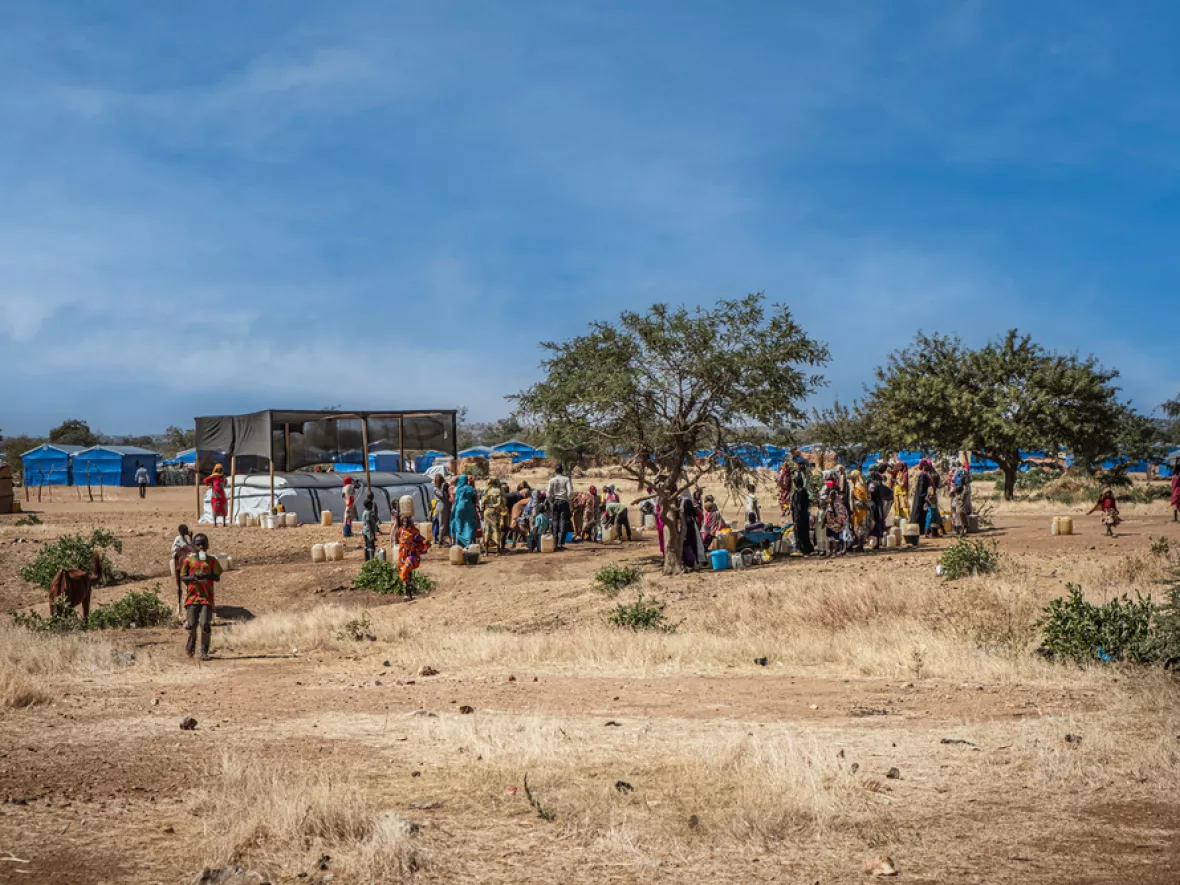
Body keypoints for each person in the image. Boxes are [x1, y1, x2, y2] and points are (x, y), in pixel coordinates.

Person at [179, 533, 221, 660]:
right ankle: (191, 644)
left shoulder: (212, 560)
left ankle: (204, 651)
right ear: (193, 546)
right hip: (192, 597)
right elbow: (182, 577)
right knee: (191, 624)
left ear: (207, 545)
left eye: (203, 544)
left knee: (205, 624)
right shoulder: (188, 561)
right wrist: (192, 578)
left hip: (207, 597)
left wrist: (207, 576)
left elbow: (217, 577)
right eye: (198, 544)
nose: (201, 547)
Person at [394, 514, 430, 599]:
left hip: (412, 557)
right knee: (407, 576)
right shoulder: (401, 530)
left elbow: (421, 541)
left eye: (407, 521)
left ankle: (409, 593)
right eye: (404, 521)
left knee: (405, 572)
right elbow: (397, 522)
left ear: (411, 522)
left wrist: (426, 543)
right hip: (402, 557)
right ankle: (409, 595)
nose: (405, 523)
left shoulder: (415, 532)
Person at [547, 464, 574, 550]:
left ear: (555, 471)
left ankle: (554, 544)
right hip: (563, 501)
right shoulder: (566, 479)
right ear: (562, 470)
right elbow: (570, 492)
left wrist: (551, 501)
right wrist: (569, 499)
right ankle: (560, 544)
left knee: (555, 522)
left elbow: (548, 493)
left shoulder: (551, 480)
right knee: (563, 521)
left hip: (555, 501)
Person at [791, 459, 814, 555]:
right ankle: (807, 548)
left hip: (799, 516)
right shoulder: (803, 492)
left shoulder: (798, 493)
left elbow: (798, 506)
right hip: (804, 515)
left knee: (800, 533)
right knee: (805, 532)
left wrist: (796, 517)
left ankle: (803, 549)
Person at [450, 475, 479, 548]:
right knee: (469, 525)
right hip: (469, 508)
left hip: (458, 508)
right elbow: (474, 499)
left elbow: (455, 499)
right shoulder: (470, 488)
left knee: (459, 525)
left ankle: (458, 544)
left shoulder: (458, 488)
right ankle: (468, 542)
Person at [680, 491, 707, 569]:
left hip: (683, 525)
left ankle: (688, 561)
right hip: (690, 525)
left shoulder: (680, 501)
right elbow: (693, 513)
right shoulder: (687, 501)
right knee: (695, 543)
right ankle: (697, 561)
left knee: (686, 544)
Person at [481, 479, 507, 554]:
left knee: (487, 530)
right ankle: (497, 551)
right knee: (496, 530)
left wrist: (482, 511)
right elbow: (503, 502)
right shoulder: (499, 491)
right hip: (495, 512)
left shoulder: (486, 491)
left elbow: (483, 502)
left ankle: (486, 552)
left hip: (487, 512)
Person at [431, 474, 452, 545]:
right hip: (441, 505)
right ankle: (440, 539)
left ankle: (445, 537)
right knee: (442, 523)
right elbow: (441, 496)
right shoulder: (435, 488)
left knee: (446, 522)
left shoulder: (443, 487)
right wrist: (443, 488)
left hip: (445, 505)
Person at [361, 494, 381, 561]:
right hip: (369, 531)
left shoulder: (365, 512)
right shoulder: (368, 513)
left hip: (365, 531)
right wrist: (372, 534)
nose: (372, 506)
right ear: (368, 505)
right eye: (371, 504)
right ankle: (371, 559)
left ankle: (367, 559)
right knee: (371, 545)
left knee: (367, 545)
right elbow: (368, 522)